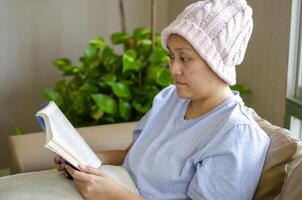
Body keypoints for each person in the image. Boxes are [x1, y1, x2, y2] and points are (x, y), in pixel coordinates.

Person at [54, 0, 270, 199]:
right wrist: (88, 159)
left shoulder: (237, 135)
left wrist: (114, 195)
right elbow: (134, 155)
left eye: (185, 58)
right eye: (171, 56)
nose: (173, 68)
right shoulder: (169, 98)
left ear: (217, 63)